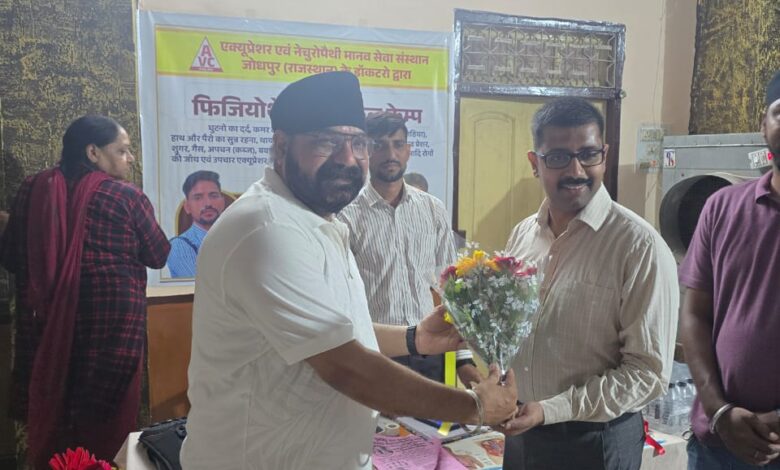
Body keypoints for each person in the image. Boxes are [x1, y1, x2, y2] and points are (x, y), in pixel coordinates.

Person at [180, 71, 518, 470]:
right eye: (327, 141)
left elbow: (337, 331)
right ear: (282, 145)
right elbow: (348, 368)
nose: (347, 159)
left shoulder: (316, 219)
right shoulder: (268, 228)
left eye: (357, 143)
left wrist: (415, 338)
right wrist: (476, 406)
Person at [500, 97, 679, 470]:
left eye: (588, 154)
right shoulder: (522, 235)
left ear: (605, 155)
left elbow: (647, 374)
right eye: (558, 157)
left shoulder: (639, 247)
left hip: (595, 443)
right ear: (534, 163)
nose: (576, 170)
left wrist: (550, 410)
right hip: (522, 432)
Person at [0, 115, 170, 468]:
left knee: (55, 419)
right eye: (122, 150)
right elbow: (158, 254)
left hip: (43, 333)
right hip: (108, 337)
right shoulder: (126, 196)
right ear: (93, 152)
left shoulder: (33, 189)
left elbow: (12, 257)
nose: (130, 158)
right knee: (103, 430)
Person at [679, 70, 780, 469]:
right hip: (718, 445)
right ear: (763, 124)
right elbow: (695, 314)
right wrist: (718, 410)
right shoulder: (722, 207)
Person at [338, 112, 480, 386]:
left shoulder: (432, 210)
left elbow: (451, 290)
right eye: (379, 145)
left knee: (437, 416)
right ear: (365, 151)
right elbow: (343, 300)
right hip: (375, 353)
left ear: (409, 150)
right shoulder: (346, 215)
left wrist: (463, 359)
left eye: (398, 144)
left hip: (430, 352)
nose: (390, 154)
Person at [166, 170, 226, 278]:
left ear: (222, 202)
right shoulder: (178, 246)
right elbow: (201, 284)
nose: (208, 203)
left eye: (213, 196)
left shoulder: (234, 238)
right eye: (198, 198)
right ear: (187, 207)